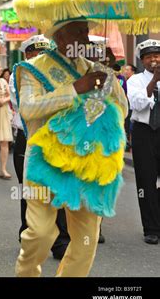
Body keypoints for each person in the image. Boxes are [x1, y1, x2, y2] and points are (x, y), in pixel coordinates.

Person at [13, 18, 128, 277]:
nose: (86, 37)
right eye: (78, 31)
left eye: (86, 31)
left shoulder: (95, 68)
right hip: (43, 162)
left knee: (87, 238)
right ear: (60, 37)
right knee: (40, 233)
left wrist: (110, 73)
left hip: (86, 163)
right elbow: (28, 109)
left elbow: (123, 110)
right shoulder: (32, 68)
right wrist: (76, 88)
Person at [9, 35, 70, 259]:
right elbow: (27, 106)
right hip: (29, 138)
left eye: (45, 54)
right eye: (36, 54)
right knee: (29, 191)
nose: (41, 58)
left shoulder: (57, 75)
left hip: (56, 138)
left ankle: (61, 240)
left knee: (59, 187)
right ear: (28, 56)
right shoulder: (20, 74)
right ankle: (29, 235)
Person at [127, 39, 160, 245]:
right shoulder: (136, 80)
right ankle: (151, 228)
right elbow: (138, 104)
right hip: (144, 132)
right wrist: (154, 81)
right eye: (149, 57)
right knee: (146, 181)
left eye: (157, 56)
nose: (154, 60)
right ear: (142, 60)